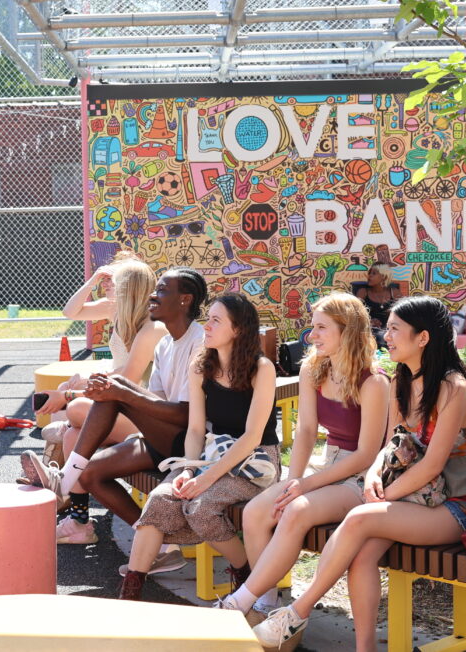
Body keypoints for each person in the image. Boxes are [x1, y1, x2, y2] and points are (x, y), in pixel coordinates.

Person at [252, 296, 466, 651]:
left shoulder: (453, 387)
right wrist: (376, 473)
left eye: (394, 329)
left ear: (422, 337)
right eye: (386, 328)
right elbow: (392, 442)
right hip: (411, 498)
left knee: (360, 518)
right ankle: (366, 648)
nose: (385, 335)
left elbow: (432, 464)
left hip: (455, 505)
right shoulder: (401, 380)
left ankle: (297, 611)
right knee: (362, 556)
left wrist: (382, 495)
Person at [217, 293, 389, 625]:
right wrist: (292, 480)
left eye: (322, 327)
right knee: (256, 512)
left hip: (361, 474)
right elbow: (307, 431)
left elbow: (367, 453)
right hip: (326, 466)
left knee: (295, 510)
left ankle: (240, 601)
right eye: (313, 327)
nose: (313, 335)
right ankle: (265, 604)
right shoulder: (313, 368)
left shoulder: (374, 380)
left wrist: (304, 485)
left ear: (348, 330)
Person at [22, 267, 208, 571]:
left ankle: (63, 480)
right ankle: (161, 544)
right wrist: (104, 389)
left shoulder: (198, 342)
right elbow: (156, 399)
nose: (153, 295)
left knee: (105, 397)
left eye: (162, 291)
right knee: (90, 473)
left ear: (185, 300)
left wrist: (103, 393)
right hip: (162, 432)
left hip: (191, 439)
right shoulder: (165, 342)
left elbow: (186, 413)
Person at [120, 294, 280, 600]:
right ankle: (130, 596)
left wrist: (204, 479)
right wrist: (187, 469)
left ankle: (244, 573)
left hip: (255, 462)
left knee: (200, 507)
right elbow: (195, 430)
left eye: (216, 321)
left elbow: (252, 437)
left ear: (238, 330)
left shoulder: (262, 368)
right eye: (209, 318)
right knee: (161, 499)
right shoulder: (200, 366)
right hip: (209, 455)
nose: (206, 326)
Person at [37, 253, 168, 476]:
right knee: (71, 427)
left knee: (72, 409)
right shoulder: (114, 309)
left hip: (142, 407)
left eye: (110, 279)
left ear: (128, 287)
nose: (105, 283)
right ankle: (64, 490)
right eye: (104, 279)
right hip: (121, 393)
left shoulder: (151, 327)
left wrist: (74, 393)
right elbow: (70, 312)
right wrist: (93, 279)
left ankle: (55, 472)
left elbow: (129, 380)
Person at [354, 263, 399, 346]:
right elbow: (354, 313)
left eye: (374, 273)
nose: (369, 276)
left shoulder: (394, 292)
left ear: (384, 276)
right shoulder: (363, 292)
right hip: (369, 331)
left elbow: (402, 313)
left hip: (389, 331)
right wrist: (368, 321)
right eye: (369, 273)